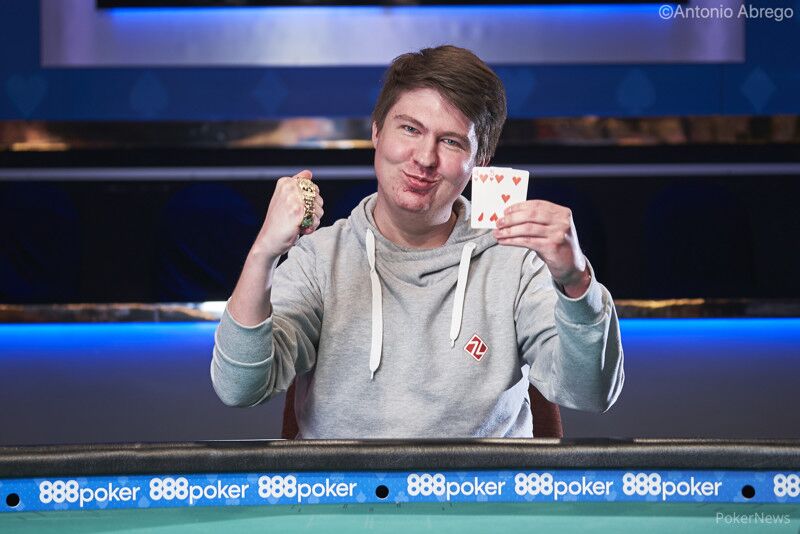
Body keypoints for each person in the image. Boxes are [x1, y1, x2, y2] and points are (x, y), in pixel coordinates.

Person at [211, 45, 624, 438]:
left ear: (480, 162)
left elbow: (591, 394)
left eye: (451, 141)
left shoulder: (516, 262)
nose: (425, 158)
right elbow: (239, 388)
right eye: (410, 129)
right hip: (345, 488)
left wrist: (576, 281)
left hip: (481, 489)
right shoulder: (320, 258)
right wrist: (264, 252)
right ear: (376, 132)